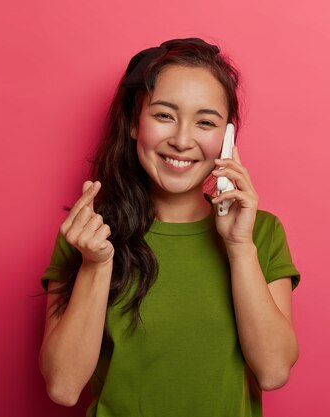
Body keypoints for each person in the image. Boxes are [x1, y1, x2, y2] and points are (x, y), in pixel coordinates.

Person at [37, 38, 301, 417]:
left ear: (226, 138)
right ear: (133, 123)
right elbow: (63, 387)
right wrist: (95, 266)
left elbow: (274, 371)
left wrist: (240, 247)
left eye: (205, 122)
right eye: (164, 115)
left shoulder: (260, 233)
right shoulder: (88, 233)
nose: (181, 140)